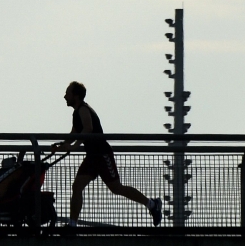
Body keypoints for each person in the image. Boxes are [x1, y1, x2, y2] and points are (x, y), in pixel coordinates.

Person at [51, 81, 162, 227]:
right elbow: (74, 133)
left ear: (76, 96)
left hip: (102, 155)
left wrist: (74, 146)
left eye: (68, 93)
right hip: (92, 157)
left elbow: (88, 129)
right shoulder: (77, 112)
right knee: (77, 186)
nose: (65, 96)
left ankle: (152, 204)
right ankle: (72, 224)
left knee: (116, 188)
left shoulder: (83, 110)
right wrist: (61, 145)